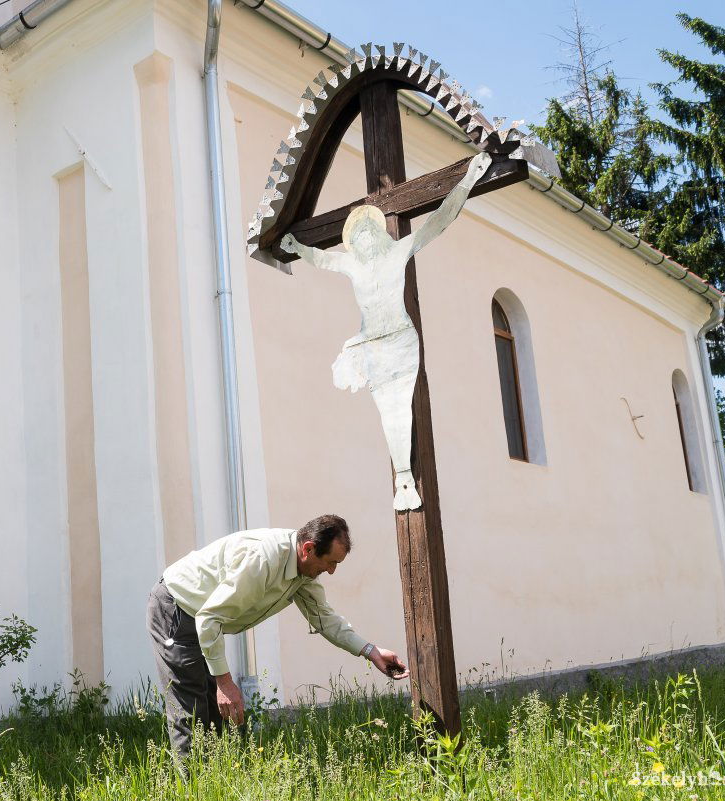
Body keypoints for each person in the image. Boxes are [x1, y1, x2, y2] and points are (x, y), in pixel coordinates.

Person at [279, 151, 493, 511]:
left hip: (399, 340)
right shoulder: (351, 264)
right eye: (357, 233)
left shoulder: (398, 252)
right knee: (385, 411)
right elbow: (321, 259)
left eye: (367, 230)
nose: (362, 236)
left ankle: (406, 477)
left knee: (400, 409)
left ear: (378, 232)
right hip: (371, 345)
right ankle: (404, 478)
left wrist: (468, 180)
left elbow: (439, 221)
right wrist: (296, 247)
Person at [145, 514, 408, 756]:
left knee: (217, 716)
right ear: (308, 549)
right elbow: (209, 617)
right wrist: (224, 683)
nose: (331, 571)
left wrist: (372, 652)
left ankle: (215, 785)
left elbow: (325, 620)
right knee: (191, 714)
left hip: (202, 618)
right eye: (330, 563)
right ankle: (193, 790)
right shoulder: (263, 560)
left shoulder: (303, 573)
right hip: (176, 608)